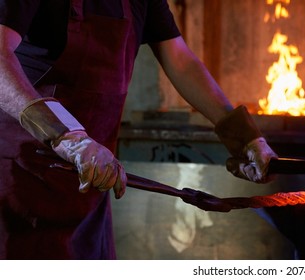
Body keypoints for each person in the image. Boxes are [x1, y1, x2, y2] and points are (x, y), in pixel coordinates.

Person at [0, 0, 277, 259]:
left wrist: (244, 136)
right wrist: (69, 138)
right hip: (19, 183)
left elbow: (180, 59)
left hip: (87, 192)